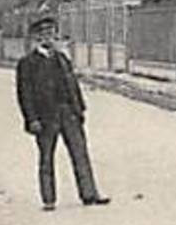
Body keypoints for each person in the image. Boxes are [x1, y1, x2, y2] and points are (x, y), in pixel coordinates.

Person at [16, 15, 110, 210]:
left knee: (80, 153)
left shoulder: (62, 59)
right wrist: (31, 119)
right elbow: (24, 94)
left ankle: (89, 194)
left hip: (68, 113)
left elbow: (73, 85)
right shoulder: (27, 63)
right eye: (42, 33)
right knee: (46, 158)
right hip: (45, 117)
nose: (47, 37)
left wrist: (80, 109)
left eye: (50, 32)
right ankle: (49, 199)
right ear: (35, 37)